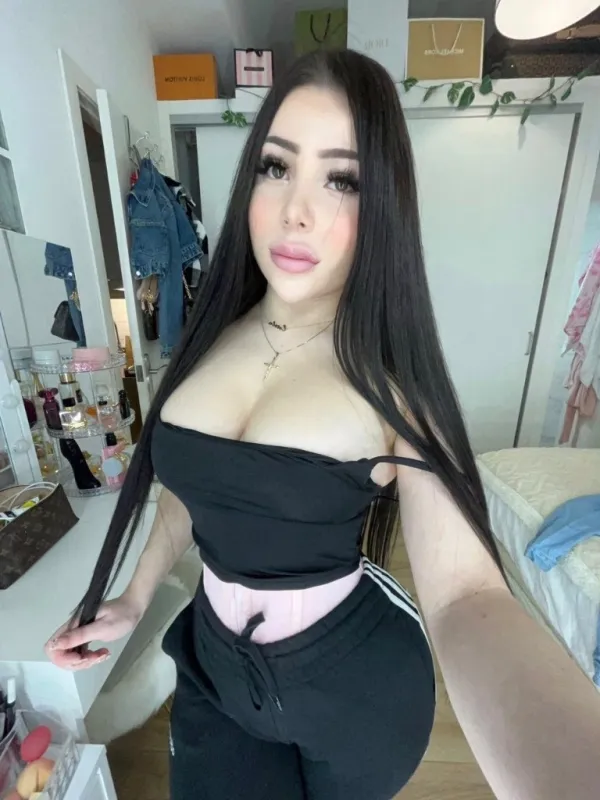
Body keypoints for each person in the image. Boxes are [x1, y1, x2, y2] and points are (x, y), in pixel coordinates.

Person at [46, 50, 600, 800]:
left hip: (355, 688)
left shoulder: (394, 387)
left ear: (385, 206)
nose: (295, 210)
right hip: (215, 670)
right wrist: (136, 594)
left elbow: (466, 598)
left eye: (342, 180)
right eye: (277, 167)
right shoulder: (208, 340)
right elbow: (194, 489)